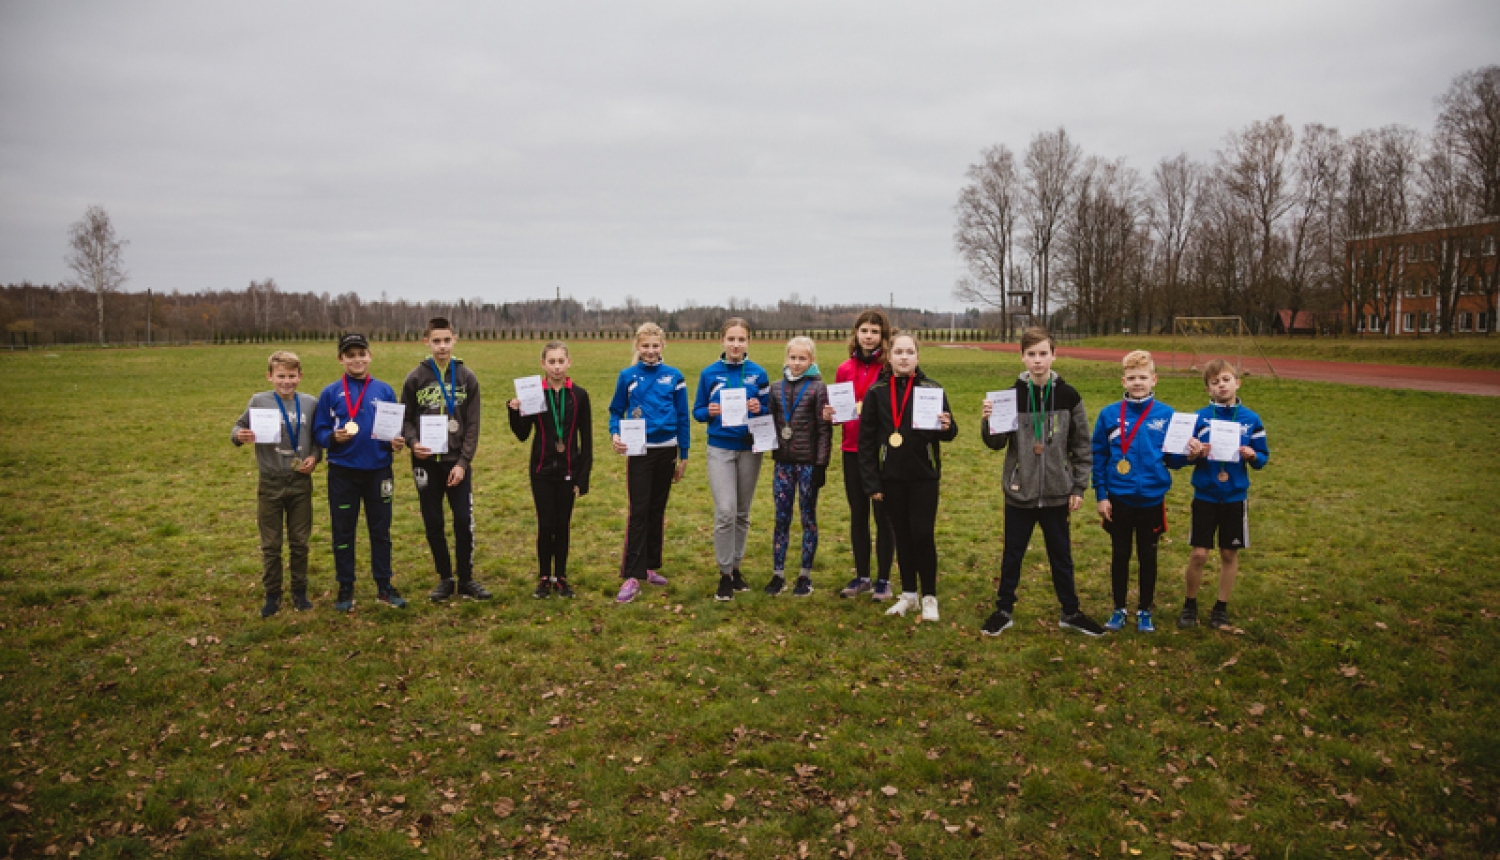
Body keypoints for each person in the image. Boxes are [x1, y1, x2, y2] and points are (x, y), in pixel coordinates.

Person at [978, 329, 1106, 637]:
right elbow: (995, 443)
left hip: (1056, 492)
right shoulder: (1011, 396)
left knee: (1061, 555)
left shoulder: (1069, 396)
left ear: (1054, 355)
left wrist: (1077, 486)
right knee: (1013, 554)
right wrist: (987, 420)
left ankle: (1070, 611)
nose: (1038, 360)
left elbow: (1082, 446)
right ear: (1022, 357)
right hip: (1019, 492)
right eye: (1031, 354)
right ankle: (1003, 609)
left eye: (1043, 353)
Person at [858, 331, 957, 622]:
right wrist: (872, 482)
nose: (904, 357)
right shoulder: (877, 393)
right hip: (891, 477)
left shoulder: (932, 388)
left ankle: (929, 596)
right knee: (901, 535)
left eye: (909, 352)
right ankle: (909, 594)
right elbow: (866, 443)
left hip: (924, 476)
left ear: (917, 356)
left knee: (923, 534)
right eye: (898, 352)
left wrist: (946, 427)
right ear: (889, 356)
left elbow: (950, 433)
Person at [1091, 350, 1184, 634]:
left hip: (1152, 499)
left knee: (1148, 555)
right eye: (1132, 377)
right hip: (1119, 498)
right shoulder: (1108, 415)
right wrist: (1101, 494)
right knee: (1120, 554)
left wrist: (1189, 453)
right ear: (1123, 381)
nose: (1138, 382)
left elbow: (1174, 460)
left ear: (1154, 379)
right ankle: (1119, 608)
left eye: (1143, 377)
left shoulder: (1167, 415)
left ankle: (1144, 609)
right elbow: (1098, 456)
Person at [313, 333, 408, 612]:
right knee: (343, 531)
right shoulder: (330, 393)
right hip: (343, 473)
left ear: (370, 356)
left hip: (379, 471)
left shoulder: (384, 390)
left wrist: (396, 441)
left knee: (381, 531)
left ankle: (384, 585)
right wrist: (332, 437)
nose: (357, 359)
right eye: (350, 355)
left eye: (361, 354)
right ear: (341, 359)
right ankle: (345, 586)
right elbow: (318, 430)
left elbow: (394, 429)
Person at [401, 317, 491, 603]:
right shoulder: (415, 378)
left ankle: (466, 578)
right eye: (436, 341)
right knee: (433, 521)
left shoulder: (467, 377)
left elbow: (473, 425)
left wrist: (463, 463)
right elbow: (405, 420)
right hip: (426, 463)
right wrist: (413, 444)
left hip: (456, 463)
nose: (441, 346)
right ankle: (445, 578)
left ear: (455, 340)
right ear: (426, 342)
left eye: (446, 340)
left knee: (463, 520)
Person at [1176, 359, 1270, 630]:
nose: (1222, 386)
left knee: (1229, 553)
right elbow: (1185, 457)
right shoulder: (1200, 418)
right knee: (1199, 555)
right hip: (1205, 495)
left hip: (1234, 497)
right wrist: (1194, 453)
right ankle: (1189, 605)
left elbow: (1263, 456)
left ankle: (1221, 607)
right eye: (1215, 382)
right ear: (1208, 389)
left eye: (1226, 380)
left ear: (1237, 382)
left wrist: (1253, 456)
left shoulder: (1250, 419)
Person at [231, 350, 322, 617]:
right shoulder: (258, 401)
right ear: (270, 376)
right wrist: (241, 435)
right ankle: (272, 594)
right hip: (270, 481)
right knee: (271, 543)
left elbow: (318, 440)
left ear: (300, 376)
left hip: (300, 482)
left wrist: (315, 457)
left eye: (292, 376)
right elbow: (236, 428)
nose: (286, 381)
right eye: (281, 376)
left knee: (299, 541)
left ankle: (299, 591)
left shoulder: (309, 404)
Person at [608, 322, 691, 604]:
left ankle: (649, 566)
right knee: (639, 510)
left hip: (667, 451)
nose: (651, 351)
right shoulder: (627, 376)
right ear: (637, 347)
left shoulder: (675, 377)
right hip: (639, 450)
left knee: (657, 509)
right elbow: (615, 410)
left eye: (655, 346)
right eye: (645, 346)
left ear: (663, 346)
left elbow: (683, 417)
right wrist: (615, 434)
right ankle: (632, 575)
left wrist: (685, 454)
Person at [693, 318, 772, 601]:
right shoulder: (709, 373)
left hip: (750, 449)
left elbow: (767, 410)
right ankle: (724, 573)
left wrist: (758, 407)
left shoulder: (758, 374)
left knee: (742, 512)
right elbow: (697, 411)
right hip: (720, 449)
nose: (736, 345)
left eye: (741, 340)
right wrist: (710, 411)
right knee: (725, 510)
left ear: (748, 342)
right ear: (722, 341)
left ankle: (736, 569)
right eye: (731, 339)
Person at [508, 341, 594, 599]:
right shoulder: (534, 394)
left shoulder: (579, 396)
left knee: (563, 524)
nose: (556, 367)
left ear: (569, 363)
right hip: (541, 470)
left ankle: (562, 577)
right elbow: (523, 434)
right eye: (551, 362)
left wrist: (583, 476)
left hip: (568, 470)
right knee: (546, 525)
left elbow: (586, 439)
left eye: (561, 361)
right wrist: (514, 411)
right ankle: (545, 576)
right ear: (543, 365)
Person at [826, 310, 897, 601]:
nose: (868, 336)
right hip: (851, 450)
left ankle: (883, 579)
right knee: (858, 515)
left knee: (884, 517)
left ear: (884, 336)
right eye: (864, 330)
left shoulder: (890, 368)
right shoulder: (844, 369)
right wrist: (830, 414)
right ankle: (862, 576)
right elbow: (839, 412)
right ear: (856, 333)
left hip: (881, 453)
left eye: (874, 332)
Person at [765, 337, 832, 597]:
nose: (796, 363)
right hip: (783, 463)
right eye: (793, 358)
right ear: (786, 358)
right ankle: (778, 573)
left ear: (811, 360)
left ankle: (805, 575)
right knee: (781, 518)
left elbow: (824, 431)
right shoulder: (775, 387)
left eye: (802, 359)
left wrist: (821, 465)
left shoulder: (818, 389)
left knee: (807, 518)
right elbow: (767, 422)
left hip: (807, 464)